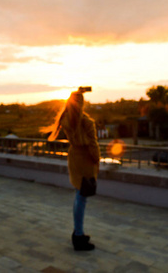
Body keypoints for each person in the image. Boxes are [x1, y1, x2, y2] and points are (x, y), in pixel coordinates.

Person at [44, 90, 100, 251]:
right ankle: (78, 236)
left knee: (79, 195)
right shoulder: (86, 122)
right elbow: (93, 145)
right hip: (85, 159)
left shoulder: (67, 119)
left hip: (74, 157)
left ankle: (78, 231)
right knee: (81, 198)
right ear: (81, 104)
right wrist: (97, 160)